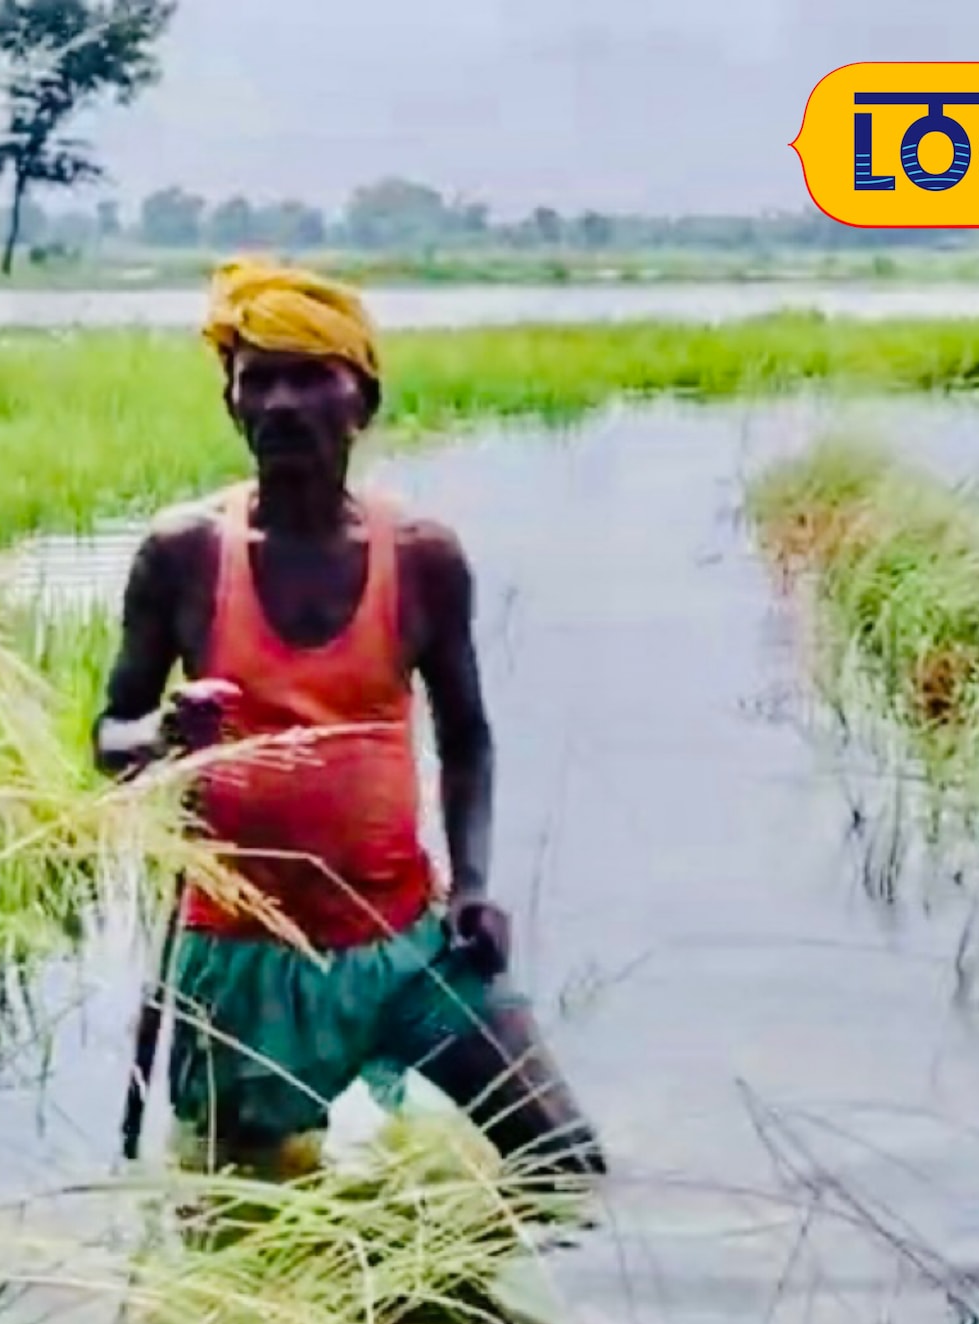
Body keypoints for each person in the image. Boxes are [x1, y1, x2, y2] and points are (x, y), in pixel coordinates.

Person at [93, 256, 607, 1195]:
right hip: (244, 965)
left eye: (311, 377)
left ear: (362, 400)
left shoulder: (421, 558)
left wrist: (477, 886)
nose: (283, 402)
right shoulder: (183, 555)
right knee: (247, 1217)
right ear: (232, 405)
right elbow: (110, 742)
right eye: (261, 379)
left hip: (408, 942)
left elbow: (468, 736)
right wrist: (165, 736)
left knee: (567, 1166)